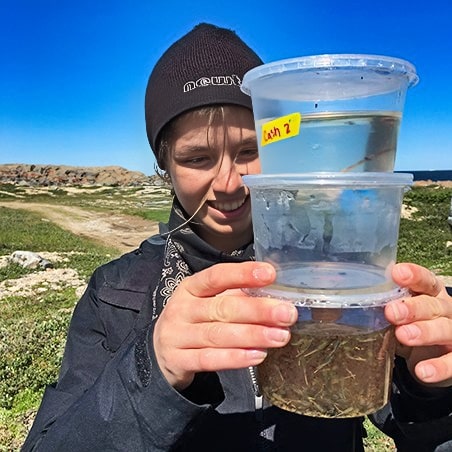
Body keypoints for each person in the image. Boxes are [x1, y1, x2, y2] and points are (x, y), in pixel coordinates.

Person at [22, 23, 452, 452]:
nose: (229, 183)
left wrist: (430, 388)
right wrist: (153, 369)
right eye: (197, 158)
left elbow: (415, 428)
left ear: (281, 146)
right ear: (164, 165)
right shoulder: (116, 293)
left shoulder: (333, 270)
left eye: (250, 151)